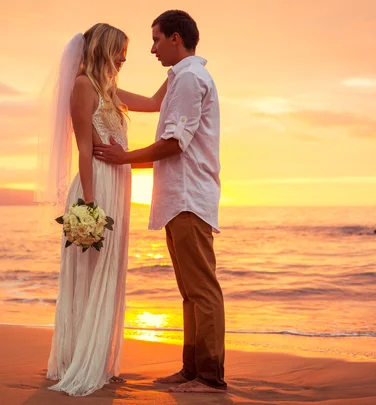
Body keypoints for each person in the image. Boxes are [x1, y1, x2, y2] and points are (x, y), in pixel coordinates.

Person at [94, 10, 226, 394]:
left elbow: (173, 143)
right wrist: (100, 87)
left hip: (188, 196)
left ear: (175, 38)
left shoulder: (189, 78)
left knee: (201, 288)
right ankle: (191, 369)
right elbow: (160, 122)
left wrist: (122, 157)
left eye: (155, 39)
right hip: (178, 196)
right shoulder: (180, 77)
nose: (151, 49)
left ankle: (210, 376)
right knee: (189, 290)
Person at [35, 23, 166, 396]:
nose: (125, 57)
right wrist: (90, 205)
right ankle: (80, 359)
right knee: (92, 273)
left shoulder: (109, 90)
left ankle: (98, 360)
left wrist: (183, 67)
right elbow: (83, 149)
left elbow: (155, 104)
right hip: (97, 187)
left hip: (117, 185)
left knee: (109, 272)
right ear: (103, 48)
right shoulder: (82, 87)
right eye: (120, 49)